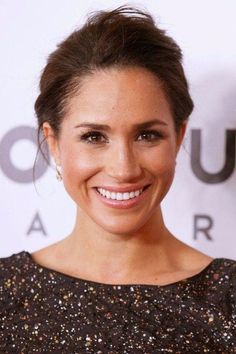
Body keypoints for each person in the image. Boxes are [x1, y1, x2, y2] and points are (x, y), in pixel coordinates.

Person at [0, 4, 235, 353]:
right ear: (54, 143)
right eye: (94, 137)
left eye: (147, 135)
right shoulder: (7, 294)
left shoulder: (227, 302)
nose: (124, 169)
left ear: (179, 137)